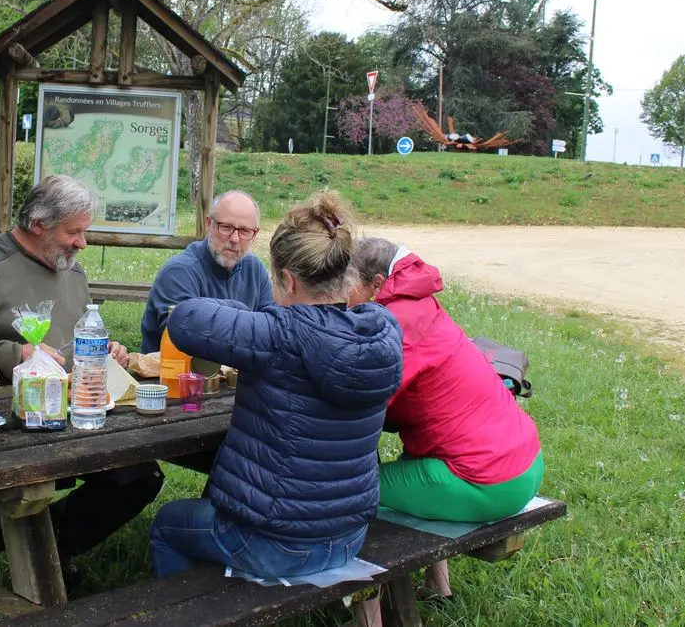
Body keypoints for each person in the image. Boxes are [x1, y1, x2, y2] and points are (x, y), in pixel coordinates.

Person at [147, 191, 404, 579]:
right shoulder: (383, 329)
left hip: (277, 544)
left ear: (287, 279)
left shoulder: (275, 334)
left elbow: (184, 319)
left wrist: (254, 316)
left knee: (167, 525)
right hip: (350, 535)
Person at [0, 175, 161, 581]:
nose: (82, 243)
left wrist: (104, 352)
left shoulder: (72, 270)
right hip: (2, 419)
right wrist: (15, 354)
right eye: (74, 232)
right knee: (32, 481)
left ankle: (42, 545)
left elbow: (71, 346)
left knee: (139, 476)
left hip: (68, 413)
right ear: (38, 225)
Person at [349, 237, 544, 599]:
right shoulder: (420, 305)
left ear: (376, 284)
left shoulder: (394, 323)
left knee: (350, 491)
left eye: (348, 284)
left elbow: (358, 404)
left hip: (489, 481)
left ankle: (372, 611)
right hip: (525, 462)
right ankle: (438, 587)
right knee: (414, 464)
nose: (343, 294)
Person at [139, 190, 274, 352]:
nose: (234, 239)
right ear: (209, 224)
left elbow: (271, 333)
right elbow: (186, 338)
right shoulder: (178, 273)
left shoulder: (255, 270)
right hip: (173, 374)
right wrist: (245, 315)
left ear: (255, 234)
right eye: (226, 227)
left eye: (244, 231)